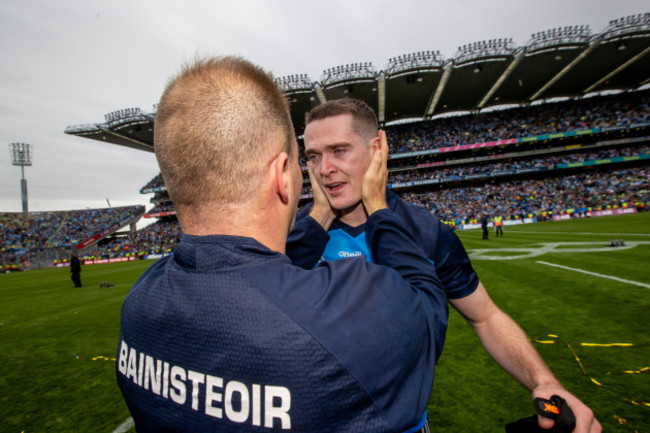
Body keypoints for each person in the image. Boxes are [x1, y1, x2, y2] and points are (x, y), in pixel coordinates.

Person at [116, 57, 448, 432]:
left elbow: (267, 270)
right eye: (301, 161)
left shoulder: (139, 305)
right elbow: (424, 311)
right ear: (281, 175)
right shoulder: (339, 322)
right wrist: (379, 206)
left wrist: (320, 214)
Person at [287, 98, 601, 433]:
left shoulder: (424, 229)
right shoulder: (294, 235)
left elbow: (486, 316)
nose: (324, 169)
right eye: (313, 156)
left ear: (377, 148)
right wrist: (317, 218)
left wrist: (544, 381)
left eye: (339, 150)